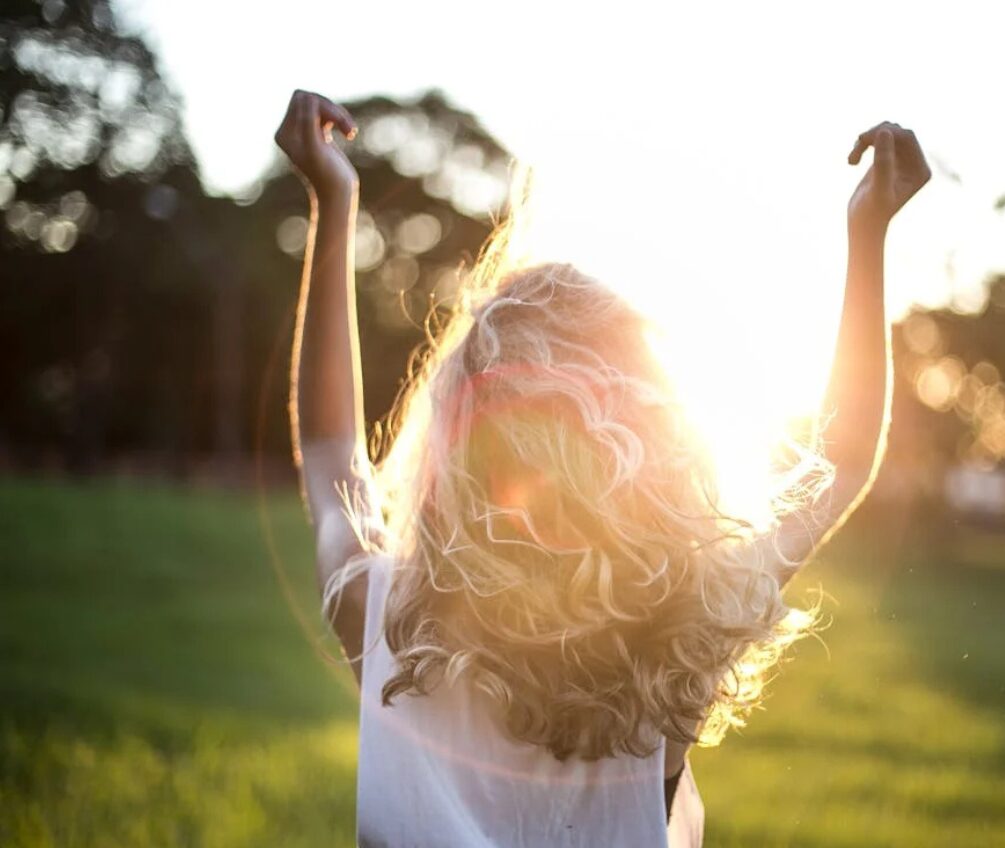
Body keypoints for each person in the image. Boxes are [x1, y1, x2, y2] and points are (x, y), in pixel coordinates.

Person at [274, 88, 929, 847]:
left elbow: (331, 453)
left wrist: (334, 200)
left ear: (452, 454)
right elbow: (837, 462)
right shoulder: (682, 629)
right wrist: (868, 232)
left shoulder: (389, 620)